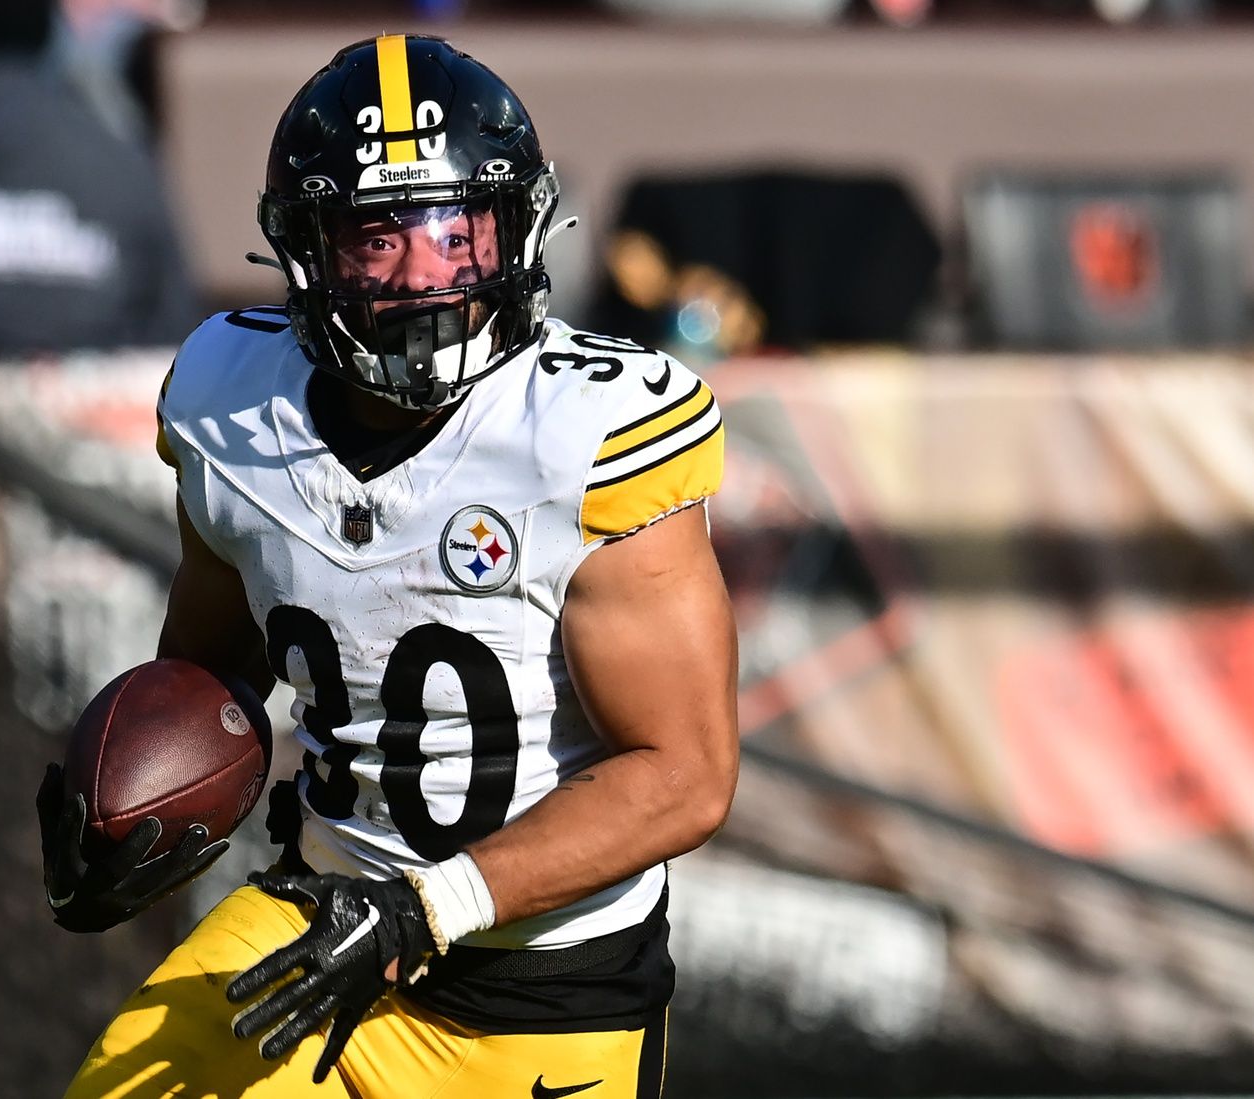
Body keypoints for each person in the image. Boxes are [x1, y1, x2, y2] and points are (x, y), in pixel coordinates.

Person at [36, 33, 739, 1098]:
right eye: (379, 240)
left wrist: (426, 906)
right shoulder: (232, 401)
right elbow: (213, 667)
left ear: (519, 229)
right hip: (320, 923)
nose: (424, 279)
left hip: (538, 992)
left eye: (457, 235)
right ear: (309, 251)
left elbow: (683, 775)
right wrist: (138, 802)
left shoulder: (586, 434)